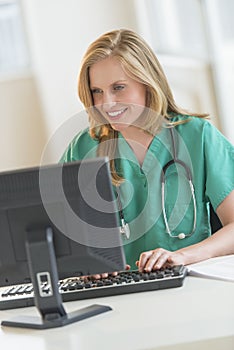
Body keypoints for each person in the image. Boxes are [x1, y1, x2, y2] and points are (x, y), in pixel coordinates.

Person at [61, 29, 234, 273]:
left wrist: (182, 256)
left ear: (147, 83)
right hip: (119, 294)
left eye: (118, 87)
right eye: (97, 91)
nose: (106, 103)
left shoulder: (198, 136)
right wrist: (87, 263)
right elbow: (62, 239)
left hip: (190, 283)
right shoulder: (83, 148)